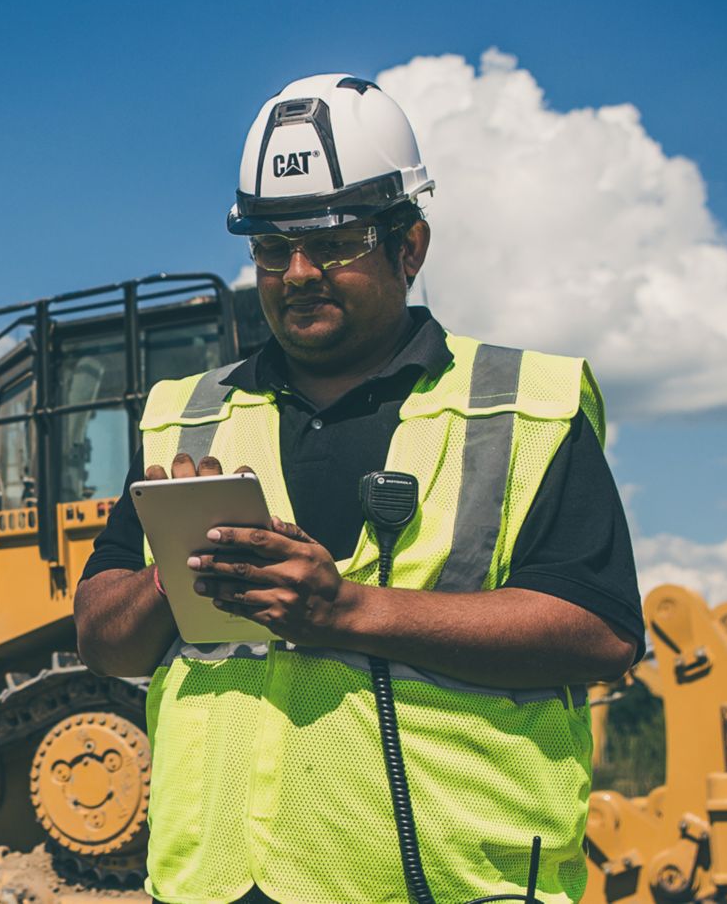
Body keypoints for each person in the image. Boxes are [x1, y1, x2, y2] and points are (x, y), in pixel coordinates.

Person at [73, 74, 642, 904]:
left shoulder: (525, 407)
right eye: (272, 247)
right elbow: (101, 635)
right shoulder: (184, 419)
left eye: (333, 242)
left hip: (454, 885)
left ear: (409, 246)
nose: (297, 272)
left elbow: (599, 629)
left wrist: (350, 611)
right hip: (220, 886)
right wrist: (173, 577)